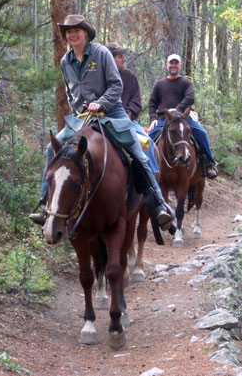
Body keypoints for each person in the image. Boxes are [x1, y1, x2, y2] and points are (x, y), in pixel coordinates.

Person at [29, 14, 173, 230]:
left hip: (113, 114)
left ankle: (159, 204)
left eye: (77, 30)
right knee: (52, 148)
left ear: (85, 33)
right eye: (69, 32)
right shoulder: (65, 61)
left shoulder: (101, 53)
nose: (73, 34)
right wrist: (80, 109)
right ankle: (45, 205)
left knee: (138, 152)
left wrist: (101, 103)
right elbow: (70, 92)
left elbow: (116, 86)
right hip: (83, 118)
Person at [148, 54, 218, 179]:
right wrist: (153, 118)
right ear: (167, 65)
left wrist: (178, 111)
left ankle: (209, 162)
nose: (173, 65)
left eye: (176, 63)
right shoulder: (160, 84)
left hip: (184, 118)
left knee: (201, 133)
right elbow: (152, 102)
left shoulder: (186, 82)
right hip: (164, 118)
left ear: (180, 66)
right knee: (148, 139)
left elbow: (190, 97)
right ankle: (144, 167)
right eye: (171, 63)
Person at [105, 43, 158, 173]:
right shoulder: (99, 76)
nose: (124, 59)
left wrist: (127, 115)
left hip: (127, 121)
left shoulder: (129, 76)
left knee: (148, 144)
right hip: (102, 120)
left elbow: (136, 101)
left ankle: (151, 181)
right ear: (110, 59)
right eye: (120, 56)